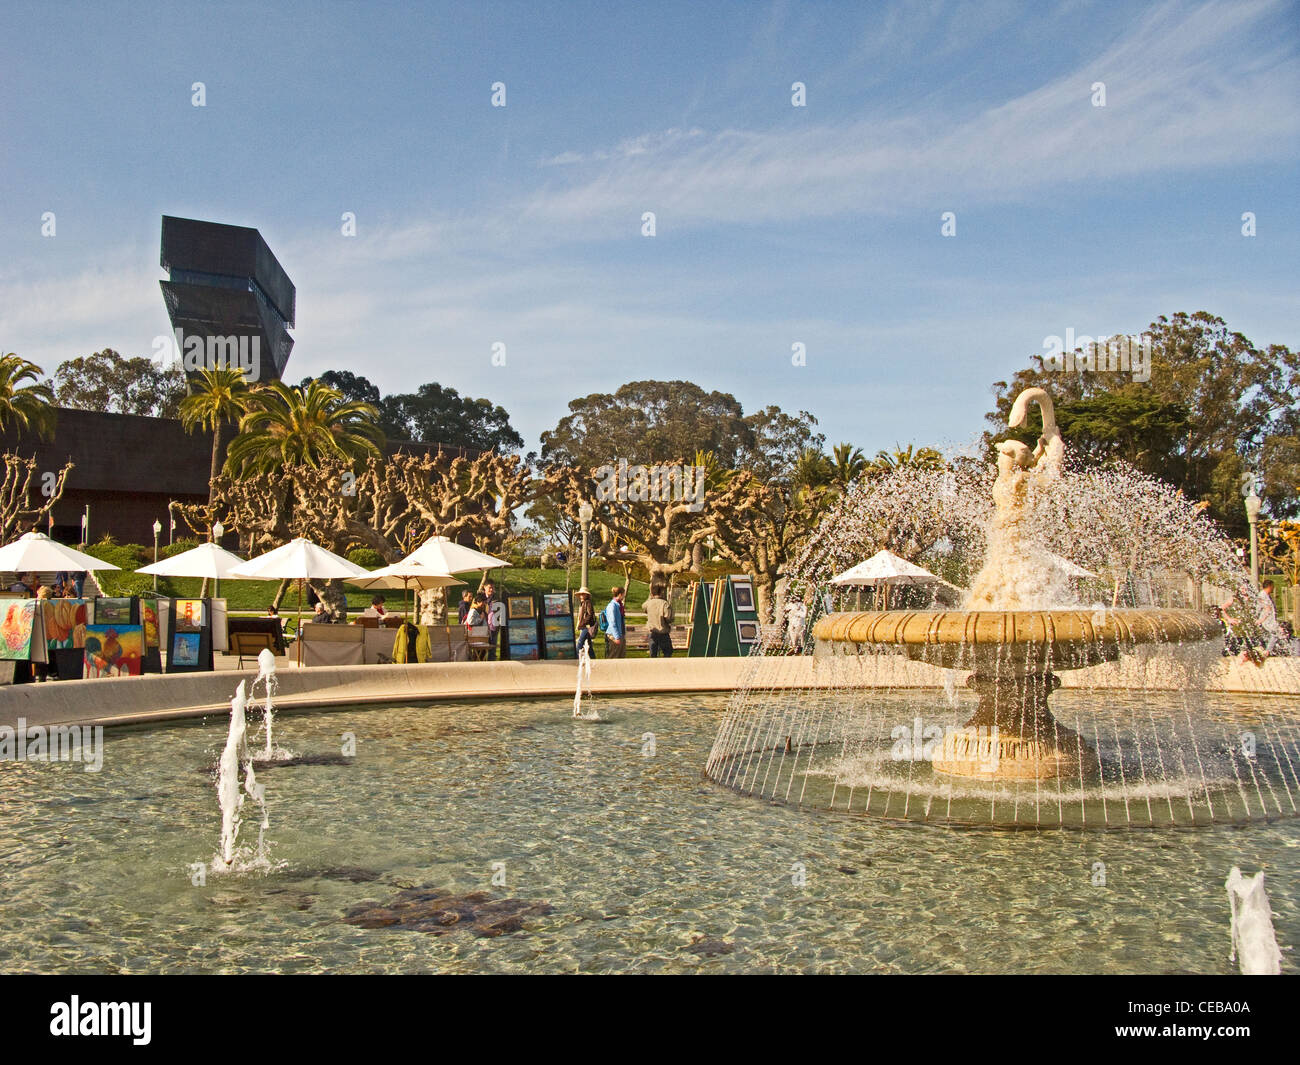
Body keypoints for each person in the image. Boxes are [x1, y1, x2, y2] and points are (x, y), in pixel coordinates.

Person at [643, 583, 674, 657]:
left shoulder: (648, 603)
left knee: (653, 654)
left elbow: (643, 607)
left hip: (652, 632)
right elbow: (668, 618)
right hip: (663, 631)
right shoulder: (664, 604)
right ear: (661, 592)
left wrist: (650, 598)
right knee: (668, 652)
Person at [603, 586, 626, 658]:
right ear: (620, 594)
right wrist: (616, 637)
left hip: (620, 634)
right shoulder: (612, 606)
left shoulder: (619, 605)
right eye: (624, 594)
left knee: (621, 657)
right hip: (614, 635)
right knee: (614, 657)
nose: (624, 595)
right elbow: (612, 622)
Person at [575, 588, 597, 658]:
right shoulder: (582, 603)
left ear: (586, 595)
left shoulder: (587, 603)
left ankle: (574, 658)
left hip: (586, 627)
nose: (581, 596)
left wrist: (583, 623)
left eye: (583, 594)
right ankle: (593, 658)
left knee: (579, 644)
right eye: (580, 594)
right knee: (589, 646)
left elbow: (590, 614)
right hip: (584, 627)